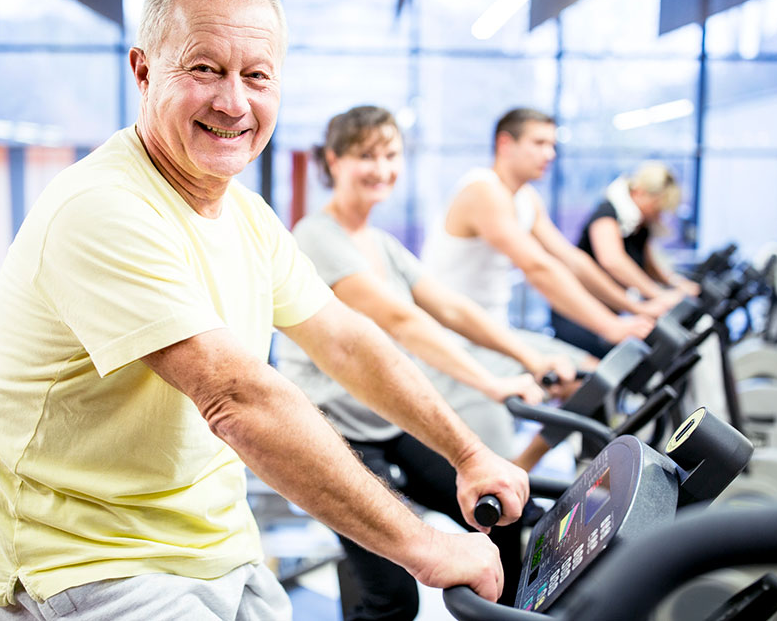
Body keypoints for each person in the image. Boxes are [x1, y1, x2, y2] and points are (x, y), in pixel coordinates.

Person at [0, 0, 528, 621]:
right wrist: (425, 548)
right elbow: (236, 396)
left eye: (256, 76)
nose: (234, 103)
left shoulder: (247, 215)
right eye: (204, 68)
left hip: (218, 548)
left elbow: (344, 338)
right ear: (144, 72)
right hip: (90, 562)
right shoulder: (103, 208)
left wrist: (469, 453)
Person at [277, 105, 573, 620]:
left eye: (390, 155)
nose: (381, 168)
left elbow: (453, 309)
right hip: (337, 436)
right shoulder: (315, 237)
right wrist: (492, 384)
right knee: (393, 598)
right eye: (365, 155)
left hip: (386, 423)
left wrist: (528, 356)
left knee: (501, 512)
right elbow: (401, 320)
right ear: (334, 162)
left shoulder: (384, 246)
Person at [421, 107, 664, 359]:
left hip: (493, 330)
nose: (549, 154)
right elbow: (538, 268)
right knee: (586, 379)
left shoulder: (526, 198)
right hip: (455, 340)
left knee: (592, 372)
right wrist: (611, 326)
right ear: (505, 143)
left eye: (552, 145)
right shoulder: (484, 191)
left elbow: (572, 260)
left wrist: (637, 306)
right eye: (538, 143)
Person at [578, 161, 700, 299]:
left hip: (608, 304)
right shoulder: (607, 213)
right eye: (656, 208)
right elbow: (613, 261)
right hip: (580, 303)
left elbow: (649, 266)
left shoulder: (641, 225)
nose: (658, 215)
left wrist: (676, 283)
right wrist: (659, 295)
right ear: (639, 193)